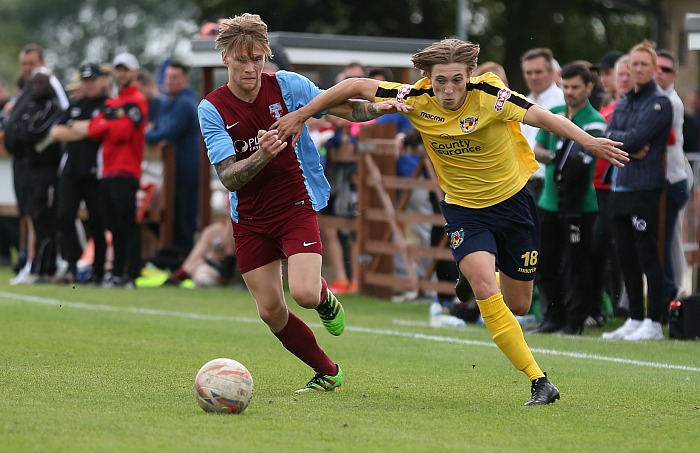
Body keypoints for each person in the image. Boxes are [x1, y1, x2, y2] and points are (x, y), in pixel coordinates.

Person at [275, 37, 628, 405]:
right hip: (464, 209)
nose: (448, 89)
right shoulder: (414, 96)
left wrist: (588, 141)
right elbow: (351, 87)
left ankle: (478, 274)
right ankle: (539, 380)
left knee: (519, 304)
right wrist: (303, 114)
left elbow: (544, 116)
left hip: (513, 205)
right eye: (440, 80)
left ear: (470, 74)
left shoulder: (491, 96)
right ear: (427, 77)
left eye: (457, 80)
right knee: (485, 290)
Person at [196, 14, 398, 393]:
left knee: (304, 293)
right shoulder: (212, 109)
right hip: (250, 218)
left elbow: (346, 109)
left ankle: (324, 300)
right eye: (242, 59)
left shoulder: (288, 86)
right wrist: (262, 155)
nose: (251, 68)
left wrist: (378, 110)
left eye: (257, 59)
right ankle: (328, 371)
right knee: (270, 311)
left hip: (295, 203)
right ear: (224, 58)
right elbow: (228, 176)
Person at [602, 40, 673, 341]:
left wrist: (626, 141)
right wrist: (626, 141)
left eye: (645, 64)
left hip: (645, 187)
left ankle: (654, 321)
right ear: (628, 68)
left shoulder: (660, 103)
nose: (639, 69)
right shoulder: (624, 101)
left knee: (647, 253)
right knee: (625, 255)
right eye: (635, 64)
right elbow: (610, 135)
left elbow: (634, 139)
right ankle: (634, 317)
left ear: (654, 69)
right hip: (620, 184)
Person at [531, 63, 607, 335]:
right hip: (549, 200)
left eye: (576, 87)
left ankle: (575, 320)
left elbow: (582, 162)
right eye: (566, 86)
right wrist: (556, 158)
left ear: (589, 87)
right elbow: (538, 149)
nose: (570, 92)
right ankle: (552, 316)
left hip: (580, 204)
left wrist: (558, 157)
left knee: (576, 264)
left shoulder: (594, 120)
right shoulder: (555, 114)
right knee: (546, 262)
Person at [72, 52, 147, 288]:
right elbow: (95, 129)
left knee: (127, 223)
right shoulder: (113, 103)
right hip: (108, 171)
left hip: (126, 170)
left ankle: (132, 273)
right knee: (113, 225)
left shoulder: (137, 100)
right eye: (119, 69)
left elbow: (124, 132)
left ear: (134, 72)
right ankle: (117, 273)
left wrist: (108, 124)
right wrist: (111, 123)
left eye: (126, 69)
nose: (122, 73)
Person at [3, 44, 70, 283]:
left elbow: (65, 109)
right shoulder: (29, 89)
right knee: (30, 214)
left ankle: (42, 264)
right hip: (24, 161)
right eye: (24, 65)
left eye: (31, 63)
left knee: (43, 216)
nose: (27, 69)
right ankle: (32, 262)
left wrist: (40, 140)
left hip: (44, 162)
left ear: (42, 61)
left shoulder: (49, 82)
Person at [50, 63, 109, 285]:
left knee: (97, 222)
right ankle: (72, 265)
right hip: (71, 172)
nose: (89, 84)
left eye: (92, 80)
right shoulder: (76, 105)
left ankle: (99, 270)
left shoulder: (107, 105)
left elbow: (101, 128)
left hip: (95, 173)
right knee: (64, 216)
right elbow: (57, 132)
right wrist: (86, 129)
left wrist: (78, 128)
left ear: (101, 80)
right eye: (86, 81)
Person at [589, 54, 631, 324]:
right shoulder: (608, 107)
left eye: (610, 73)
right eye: (603, 73)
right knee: (601, 249)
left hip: (617, 188)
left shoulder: (621, 109)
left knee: (618, 249)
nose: (607, 79)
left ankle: (627, 308)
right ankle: (611, 306)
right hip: (600, 188)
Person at [145, 60, 201, 251]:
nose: (169, 81)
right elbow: (159, 129)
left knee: (183, 219)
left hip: (185, 173)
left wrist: (140, 135)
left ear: (185, 80)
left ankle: (182, 261)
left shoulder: (184, 103)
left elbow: (167, 133)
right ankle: (172, 257)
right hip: (171, 174)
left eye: (175, 77)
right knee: (169, 216)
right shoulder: (168, 102)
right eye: (168, 77)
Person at [655, 49, 690, 303]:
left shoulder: (670, 102)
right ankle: (670, 294)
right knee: (665, 243)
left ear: (674, 75)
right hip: (664, 180)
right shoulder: (657, 98)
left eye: (665, 69)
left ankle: (669, 297)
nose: (659, 73)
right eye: (656, 67)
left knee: (663, 244)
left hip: (671, 181)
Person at [520, 48, 564, 203]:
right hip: (522, 185)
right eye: (528, 72)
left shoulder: (563, 101)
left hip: (549, 185)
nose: (533, 77)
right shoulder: (522, 101)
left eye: (538, 72)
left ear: (552, 72)